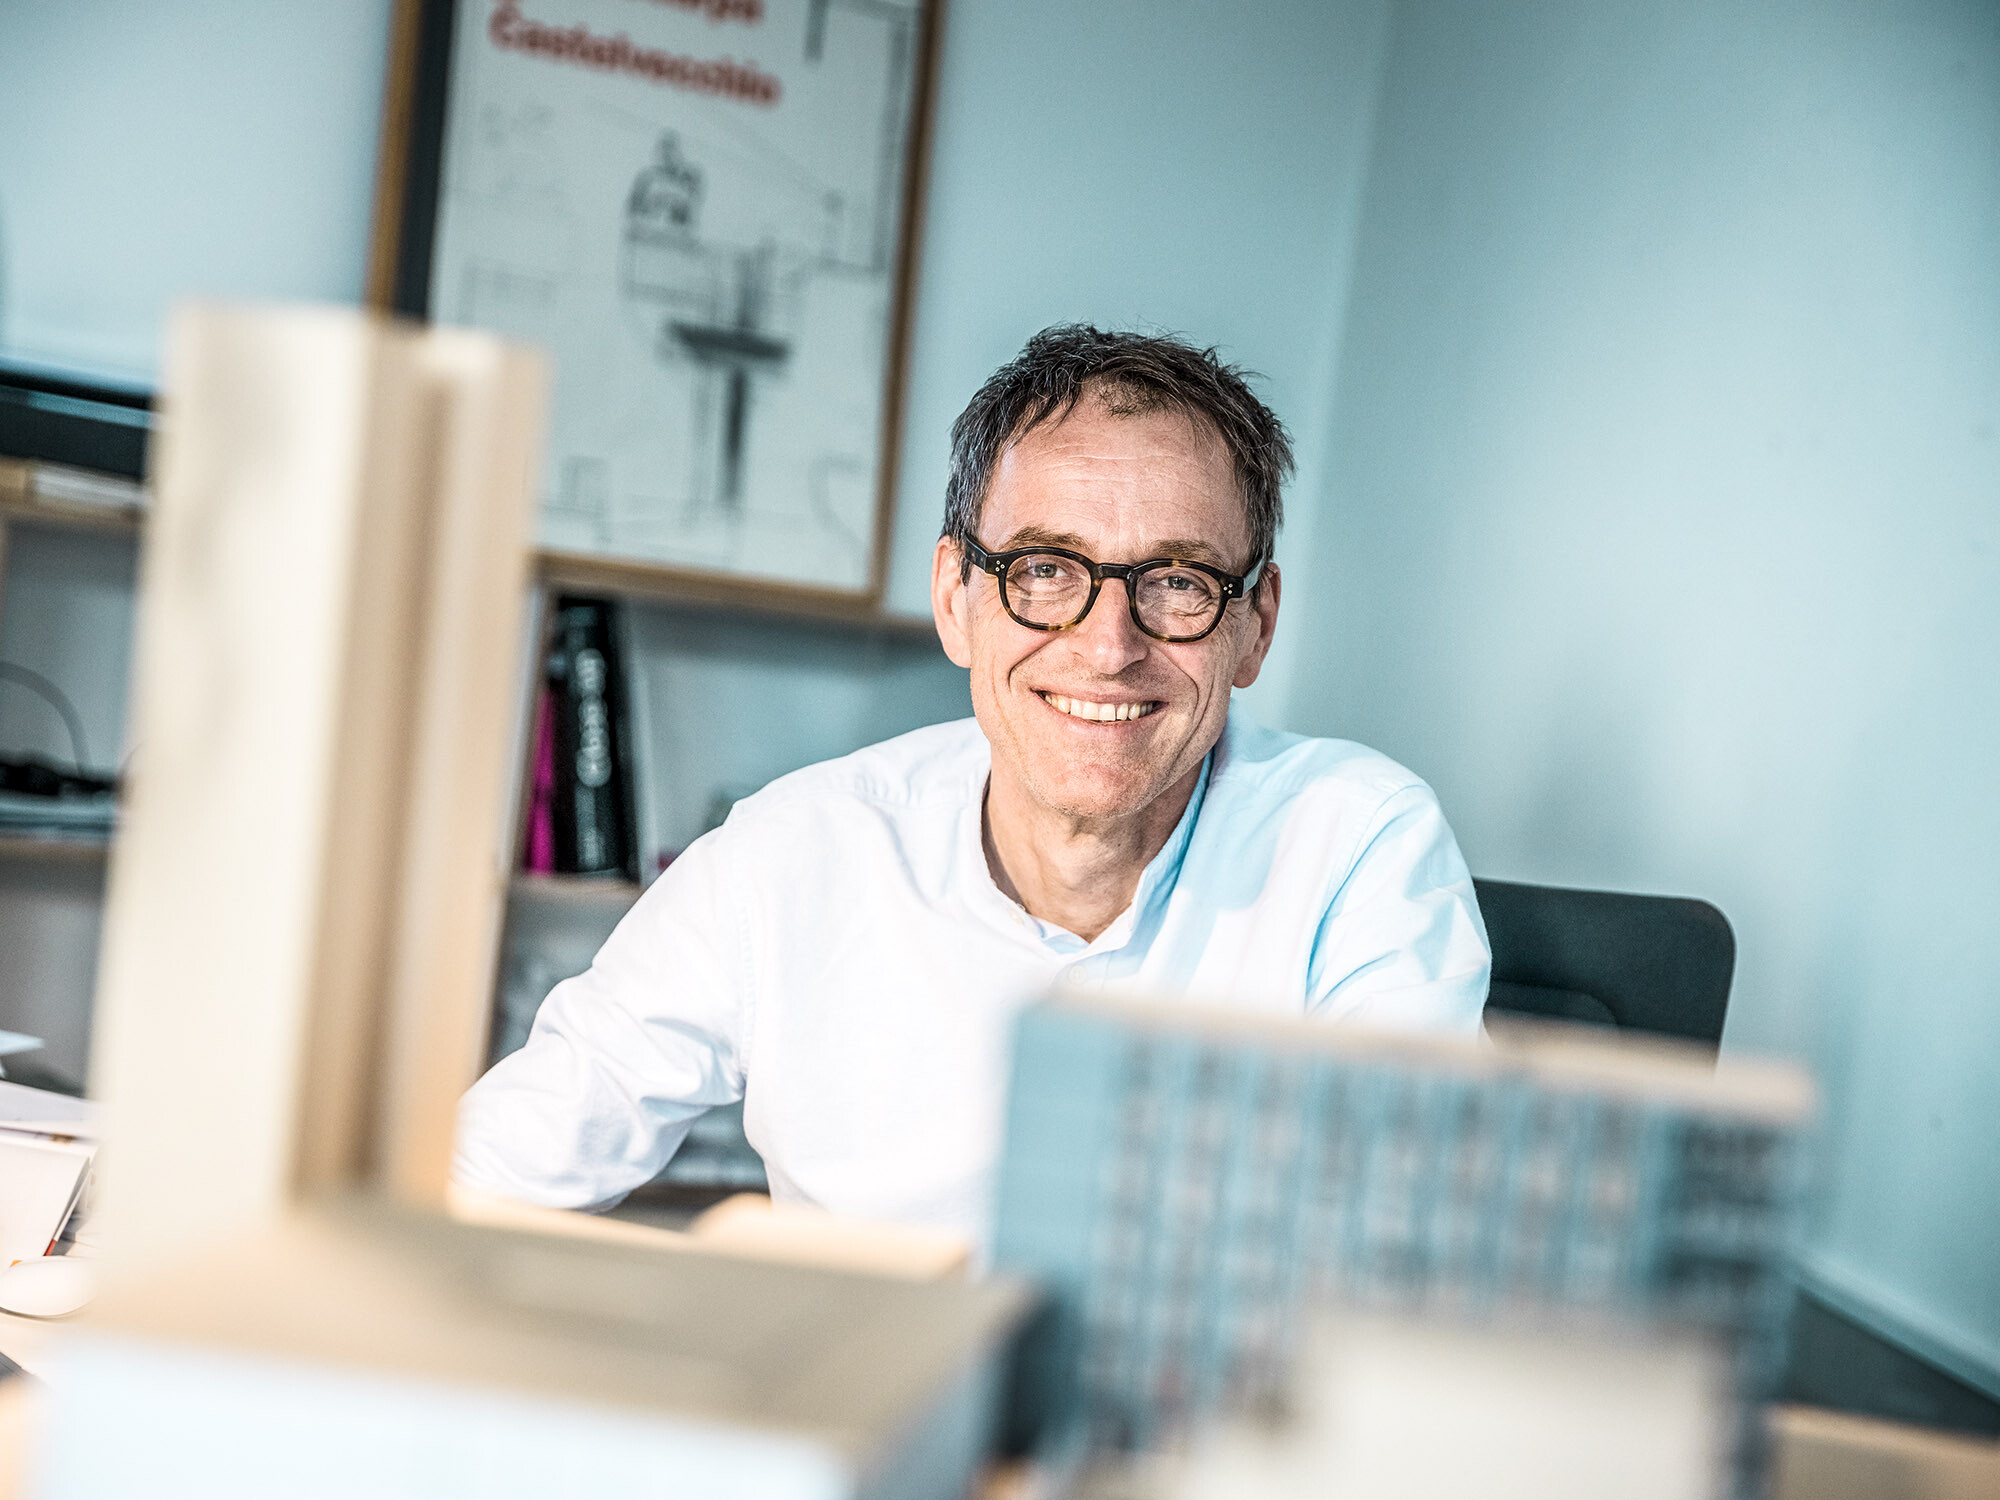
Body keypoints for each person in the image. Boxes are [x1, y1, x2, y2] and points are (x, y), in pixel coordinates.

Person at [454, 326, 1490, 1244]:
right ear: (955, 597)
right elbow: (495, 1175)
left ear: (1253, 624)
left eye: (1175, 582)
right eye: (1044, 569)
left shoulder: (1356, 844)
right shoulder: (787, 856)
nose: (1104, 646)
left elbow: (1405, 1253)